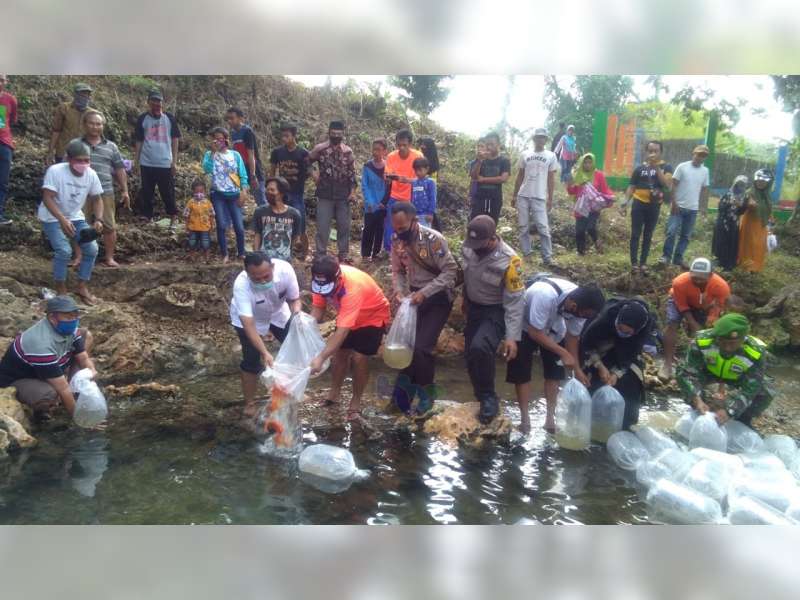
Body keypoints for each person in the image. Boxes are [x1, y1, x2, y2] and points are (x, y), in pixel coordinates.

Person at [506, 275, 605, 433]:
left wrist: (577, 370)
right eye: (580, 313)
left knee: (554, 374)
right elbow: (534, 332)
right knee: (522, 372)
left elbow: (572, 337)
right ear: (573, 304)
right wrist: (563, 352)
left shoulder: (582, 310)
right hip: (525, 327)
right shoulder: (544, 294)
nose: (581, 317)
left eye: (585, 316)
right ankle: (525, 418)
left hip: (554, 329)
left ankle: (550, 419)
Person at [389, 203, 457, 416]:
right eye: (396, 228)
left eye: (402, 228)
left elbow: (450, 271)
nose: (399, 232)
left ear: (414, 221)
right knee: (407, 348)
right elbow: (397, 271)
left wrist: (425, 292)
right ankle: (401, 398)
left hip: (438, 298)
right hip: (414, 299)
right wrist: (399, 292)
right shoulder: (396, 241)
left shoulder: (433, 239)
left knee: (422, 348)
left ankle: (427, 396)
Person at [309, 255, 390, 421]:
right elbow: (318, 308)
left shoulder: (352, 287)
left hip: (372, 316)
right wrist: (305, 327)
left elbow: (342, 332)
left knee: (359, 358)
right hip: (348, 315)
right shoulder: (320, 281)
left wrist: (321, 357)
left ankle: (356, 401)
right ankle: (334, 394)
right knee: (340, 354)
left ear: (338, 278)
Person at [461, 215, 525, 425]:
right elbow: (466, 274)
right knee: (471, 355)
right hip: (473, 307)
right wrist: (464, 299)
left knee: (481, 347)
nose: (475, 248)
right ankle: (480, 395)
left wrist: (512, 337)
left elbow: (515, 301)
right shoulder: (469, 246)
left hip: (495, 310)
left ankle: (489, 398)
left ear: (492, 238)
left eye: (480, 244)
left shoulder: (509, 261)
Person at [0, 296, 97, 420]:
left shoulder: (69, 328)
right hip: (20, 378)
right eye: (68, 317)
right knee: (51, 393)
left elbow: (83, 358)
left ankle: (74, 386)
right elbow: (62, 388)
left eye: (75, 316)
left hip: (45, 368)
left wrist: (91, 370)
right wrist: (80, 419)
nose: (73, 320)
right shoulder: (40, 344)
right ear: (52, 317)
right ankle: (41, 411)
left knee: (85, 336)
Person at [229, 251, 302, 418]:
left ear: (273, 268)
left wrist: (297, 315)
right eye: (256, 278)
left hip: (278, 312)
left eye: (266, 276)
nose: (262, 281)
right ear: (247, 274)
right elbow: (249, 325)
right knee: (251, 360)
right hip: (250, 319)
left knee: (294, 349)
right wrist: (265, 353)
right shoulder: (241, 286)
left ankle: (290, 392)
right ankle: (249, 403)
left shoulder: (285, 270)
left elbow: (294, 299)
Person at [676, 313, 772, 427]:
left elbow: (751, 387)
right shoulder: (702, 341)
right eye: (722, 342)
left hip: (738, 377)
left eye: (732, 343)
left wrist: (730, 411)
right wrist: (696, 398)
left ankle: (744, 418)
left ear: (743, 338)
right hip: (709, 372)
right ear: (717, 337)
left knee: (766, 390)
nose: (727, 347)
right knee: (681, 371)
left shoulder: (756, 352)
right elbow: (688, 373)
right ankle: (698, 406)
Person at [39, 140, 104, 305]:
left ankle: (82, 286)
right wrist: (62, 220)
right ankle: (61, 289)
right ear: (69, 159)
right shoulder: (55, 171)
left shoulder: (91, 174)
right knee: (64, 251)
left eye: (86, 160)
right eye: (79, 160)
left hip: (75, 216)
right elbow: (47, 198)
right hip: (51, 217)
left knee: (91, 249)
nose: (83, 164)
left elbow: (97, 199)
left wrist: (98, 219)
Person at [579, 297, 656, 430]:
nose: (622, 333)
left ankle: (626, 426)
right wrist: (600, 366)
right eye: (620, 328)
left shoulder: (644, 328)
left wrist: (617, 373)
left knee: (630, 382)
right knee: (595, 384)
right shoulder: (606, 317)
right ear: (617, 320)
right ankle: (592, 422)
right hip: (599, 349)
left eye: (627, 332)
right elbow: (586, 343)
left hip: (625, 353)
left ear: (636, 331)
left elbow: (632, 354)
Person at [70, 109, 130, 268]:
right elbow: (66, 166)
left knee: (109, 226)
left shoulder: (111, 146)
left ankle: (109, 258)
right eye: (92, 123)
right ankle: (79, 257)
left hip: (105, 191)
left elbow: (119, 169)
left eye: (99, 124)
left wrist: (124, 190)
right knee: (78, 224)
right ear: (85, 124)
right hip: (80, 191)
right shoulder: (76, 145)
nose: (95, 127)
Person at [660, 257, 731, 381]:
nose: (697, 280)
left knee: (701, 334)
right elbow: (681, 305)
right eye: (694, 277)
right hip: (679, 301)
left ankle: (692, 365)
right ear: (690, 273)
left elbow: (719, 306)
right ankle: (667, 363)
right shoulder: (679, 282)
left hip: (704, 305)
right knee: (672, 324)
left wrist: (711, 321)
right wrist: (691, 322)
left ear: (710, 275)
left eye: (701, 278)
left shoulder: (722, 286)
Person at [620, 140, 673, 274]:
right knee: (635, 233)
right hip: (638, 203)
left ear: (661, 152)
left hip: (654, 205)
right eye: (650, 151)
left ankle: (643, 263)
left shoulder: (667, 167)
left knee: (648, 234)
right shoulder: (639, 169)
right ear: (646, 152)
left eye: (656, 151)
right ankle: (634, 263)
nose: (653, 153)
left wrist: (656, 168)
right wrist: (624, 203)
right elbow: (631, 187)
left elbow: (667, 185)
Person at [307, 120, 357, 262]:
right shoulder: (320, 149)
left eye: (339, 134)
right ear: (329, 132)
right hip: (325, 193)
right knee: (323, 226)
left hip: (343, 194)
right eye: (333, 133)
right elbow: (306, 162)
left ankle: (343, 254)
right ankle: (320, 254)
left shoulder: (347, 151)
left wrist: (352, 192)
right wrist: (314, 175)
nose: (336, 136)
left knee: (344, 226)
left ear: (343, 134)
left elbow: (352, 174)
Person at [134, 89, 181, 228]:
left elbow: (175, 139)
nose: (157, 104)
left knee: (168, 191)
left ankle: (173, 216)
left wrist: (174, 161)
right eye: (154, 101)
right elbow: (139, 140)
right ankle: (147, 216)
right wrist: (136, 161)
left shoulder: (169, 118)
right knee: (147, 191)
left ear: (162, 103)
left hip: (165, 162)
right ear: (148, 102)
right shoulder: (142, 119)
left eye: (159, 101)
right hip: (146, 162)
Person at [202, 126, 250, 263]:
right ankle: (225, 254)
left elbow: (243, 174)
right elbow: (206, 169)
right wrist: (213, 153)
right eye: (216, 139)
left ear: (226, 139)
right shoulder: (209, 155)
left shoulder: (235, 155)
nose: (219, 141)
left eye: (221, 138)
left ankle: (241, 253)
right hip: (218, 194)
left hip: (234, 194)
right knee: (221, 225)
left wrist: (244, 191)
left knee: (239, 226)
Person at [512, 128, 558, 265]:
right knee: (523, 227)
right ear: (534, 139)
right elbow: (519, 175)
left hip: (539, 196)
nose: (540, 140)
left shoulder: (551, 156)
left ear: (546, 140)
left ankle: (547, 257)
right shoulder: (525, 154)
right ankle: (527, 254)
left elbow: (551, 178)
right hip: (523, 196)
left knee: (543, 227)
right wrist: (514, 195)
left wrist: (550, 198)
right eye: (538, 137)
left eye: (543, 137)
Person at [660, 145, 710, 268]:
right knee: (671, 232)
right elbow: (674, 185)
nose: (700, 157)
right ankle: (666, 257)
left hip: (693, 208)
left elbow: (704, 190)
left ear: (705, 157)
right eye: (698, 154)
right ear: (693, 153)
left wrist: (703, 208)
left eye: (703, 155)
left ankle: (678, 258)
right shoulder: (682, 167)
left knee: (686, 236)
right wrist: (674, 203)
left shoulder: (705, 171)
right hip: (678, 206)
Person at [269, 123, 310, 258]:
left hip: (297, 193)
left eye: (287, 136)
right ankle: (285, 252)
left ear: (294, 136)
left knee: (301, 224)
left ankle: (305, 254)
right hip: (282, 193)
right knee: (281, 223)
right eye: (283, 136)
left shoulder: (303, 153)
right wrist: (272, 186)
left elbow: (308, 171)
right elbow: (272, 171)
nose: (284, 139)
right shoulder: (277, 152)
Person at [566, 152, 614, 255]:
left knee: (591, 227)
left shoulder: (598, 175)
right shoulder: (578, 174)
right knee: (579, 231)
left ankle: (597, 242)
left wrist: (610, 198)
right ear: (581, 163)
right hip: (581, 207)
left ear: (593, 163)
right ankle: (581, 252)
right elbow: (571, 191)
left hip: (593, 207)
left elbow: (605, 189)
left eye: (589, 162)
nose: (587, 165)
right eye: (585, 162)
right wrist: (570, 182)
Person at [384, 129, 424, 250]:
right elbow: (387, 174)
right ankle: (389, 250)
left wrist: (405, 180)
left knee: (410, 225)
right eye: (399, 145)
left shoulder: (418, 156)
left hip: (411, 196)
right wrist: (389, 178)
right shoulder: (391, 157)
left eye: (404, 145)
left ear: (410, 144)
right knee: (390, 224)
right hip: (394, 195)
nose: (401, 148)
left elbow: (422, 179)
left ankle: (410, 249)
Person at [252, 176, 301, 262]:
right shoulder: (260, 211)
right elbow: (257, 235)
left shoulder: (294, 214)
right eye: (267, 190)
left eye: (272, 190)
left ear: (281, 193)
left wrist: (290, 254)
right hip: (265, 260)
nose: (268, 192)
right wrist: (256, 256)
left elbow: (295, 238)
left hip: (285, 260)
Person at [226, 107, 266, 207]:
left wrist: (253, 175)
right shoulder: (233, 133)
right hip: (241, 170)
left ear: (240, 119)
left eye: (232, 118)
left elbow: (251, 154)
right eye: (228, 118)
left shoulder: (247, 132)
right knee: (239, 198)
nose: (229, 121)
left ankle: (265, 220)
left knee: (260, 198)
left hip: (253, 169)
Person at [47, 82, 93, 164]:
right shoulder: (64, 108)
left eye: (87, 95)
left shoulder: (92, 114)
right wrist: (50, 152)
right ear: (75, 95)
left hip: (84, 154)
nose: (85, 97)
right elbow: (56, 131)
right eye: (81, 94)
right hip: (64, 152)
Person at [738, 168, 774, 273]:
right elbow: (743, 204)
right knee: (749, 246)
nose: (761, 183)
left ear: (768, 183)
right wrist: (749, 203)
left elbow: (769, 212)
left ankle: (756, 268)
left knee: (759, 246)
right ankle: (746, 268)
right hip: (750, 224)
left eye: (763, 182)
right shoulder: (750, 193)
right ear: (755, 180)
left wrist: (770, 226)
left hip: (762, 226)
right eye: (759, 181)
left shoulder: (767, 196)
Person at [469, 131, 511, 223]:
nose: (489, 147)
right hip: (479, 197)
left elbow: (503, 178)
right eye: (487, 144)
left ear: (498, 145)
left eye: (492, 144)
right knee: (475, 222)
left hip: (495, 198)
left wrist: (483, 179)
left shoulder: (504, 161)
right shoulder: (481, 159)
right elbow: (474, 176)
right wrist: (479, 160)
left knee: (491, 224)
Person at [360, 138, 389, 262]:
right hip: (370, 206)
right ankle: (365, 254)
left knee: (380, 230)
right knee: (368, 229)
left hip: (383, 205)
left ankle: (376, 253)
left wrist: (384, 202)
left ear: (384, 151)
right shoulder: (367, 166)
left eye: (379, 149)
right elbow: (364, 186)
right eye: (374, 149)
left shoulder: (388, 167)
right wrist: (370, 202)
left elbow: (390, 186)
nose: (375, 152)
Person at [712, 175, 749, 271]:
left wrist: (740, 206)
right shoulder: (727, 194)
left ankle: (729, 264)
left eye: (743, 185)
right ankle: (719, 261)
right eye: (738, 184)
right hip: (723, 222)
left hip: (734, 223)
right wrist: (729, 203)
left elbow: (742, 212)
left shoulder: (745, 197)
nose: (740, 187)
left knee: (731, 242)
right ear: (735, 184)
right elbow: (720, 208)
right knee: (721, 241)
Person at [0, 74, 18, 226]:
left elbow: (11, 120)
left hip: (4, 143)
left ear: (6, 82)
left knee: (2, 181)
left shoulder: (10, 99)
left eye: (1, 79)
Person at [183, 178, 215, 262]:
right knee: (192, 243)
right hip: (193, 227)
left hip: (205, 228)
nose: (199, 194)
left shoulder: (207, 203)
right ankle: (192, 256)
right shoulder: (191, 202)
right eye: (197, 192)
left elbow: (211, 215)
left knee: (206, 243)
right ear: (193, 192)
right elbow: (186, 215)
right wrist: (186, 226)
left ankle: (207, 258)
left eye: (201, 191)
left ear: (204, 191)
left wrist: (212, 225)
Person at [418, 137, 442, 231]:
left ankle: (437, 231)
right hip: (420, 189)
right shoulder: (421, 155)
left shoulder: (433, 162)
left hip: (429, 189)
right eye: (422, 144)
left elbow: (432, 179)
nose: (422, 147)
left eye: (424, 145)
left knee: (430, 211)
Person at [410, 157, 436, 227]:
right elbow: (412, 198)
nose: (417, 173)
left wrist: (430, 213)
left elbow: (432, 198)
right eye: (416, 170)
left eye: (420, 170)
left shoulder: (430, 182)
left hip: (425, 215)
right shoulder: (414, 182)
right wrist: (411, 213)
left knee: (425, 234)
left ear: (427, 169)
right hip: (415, 215)